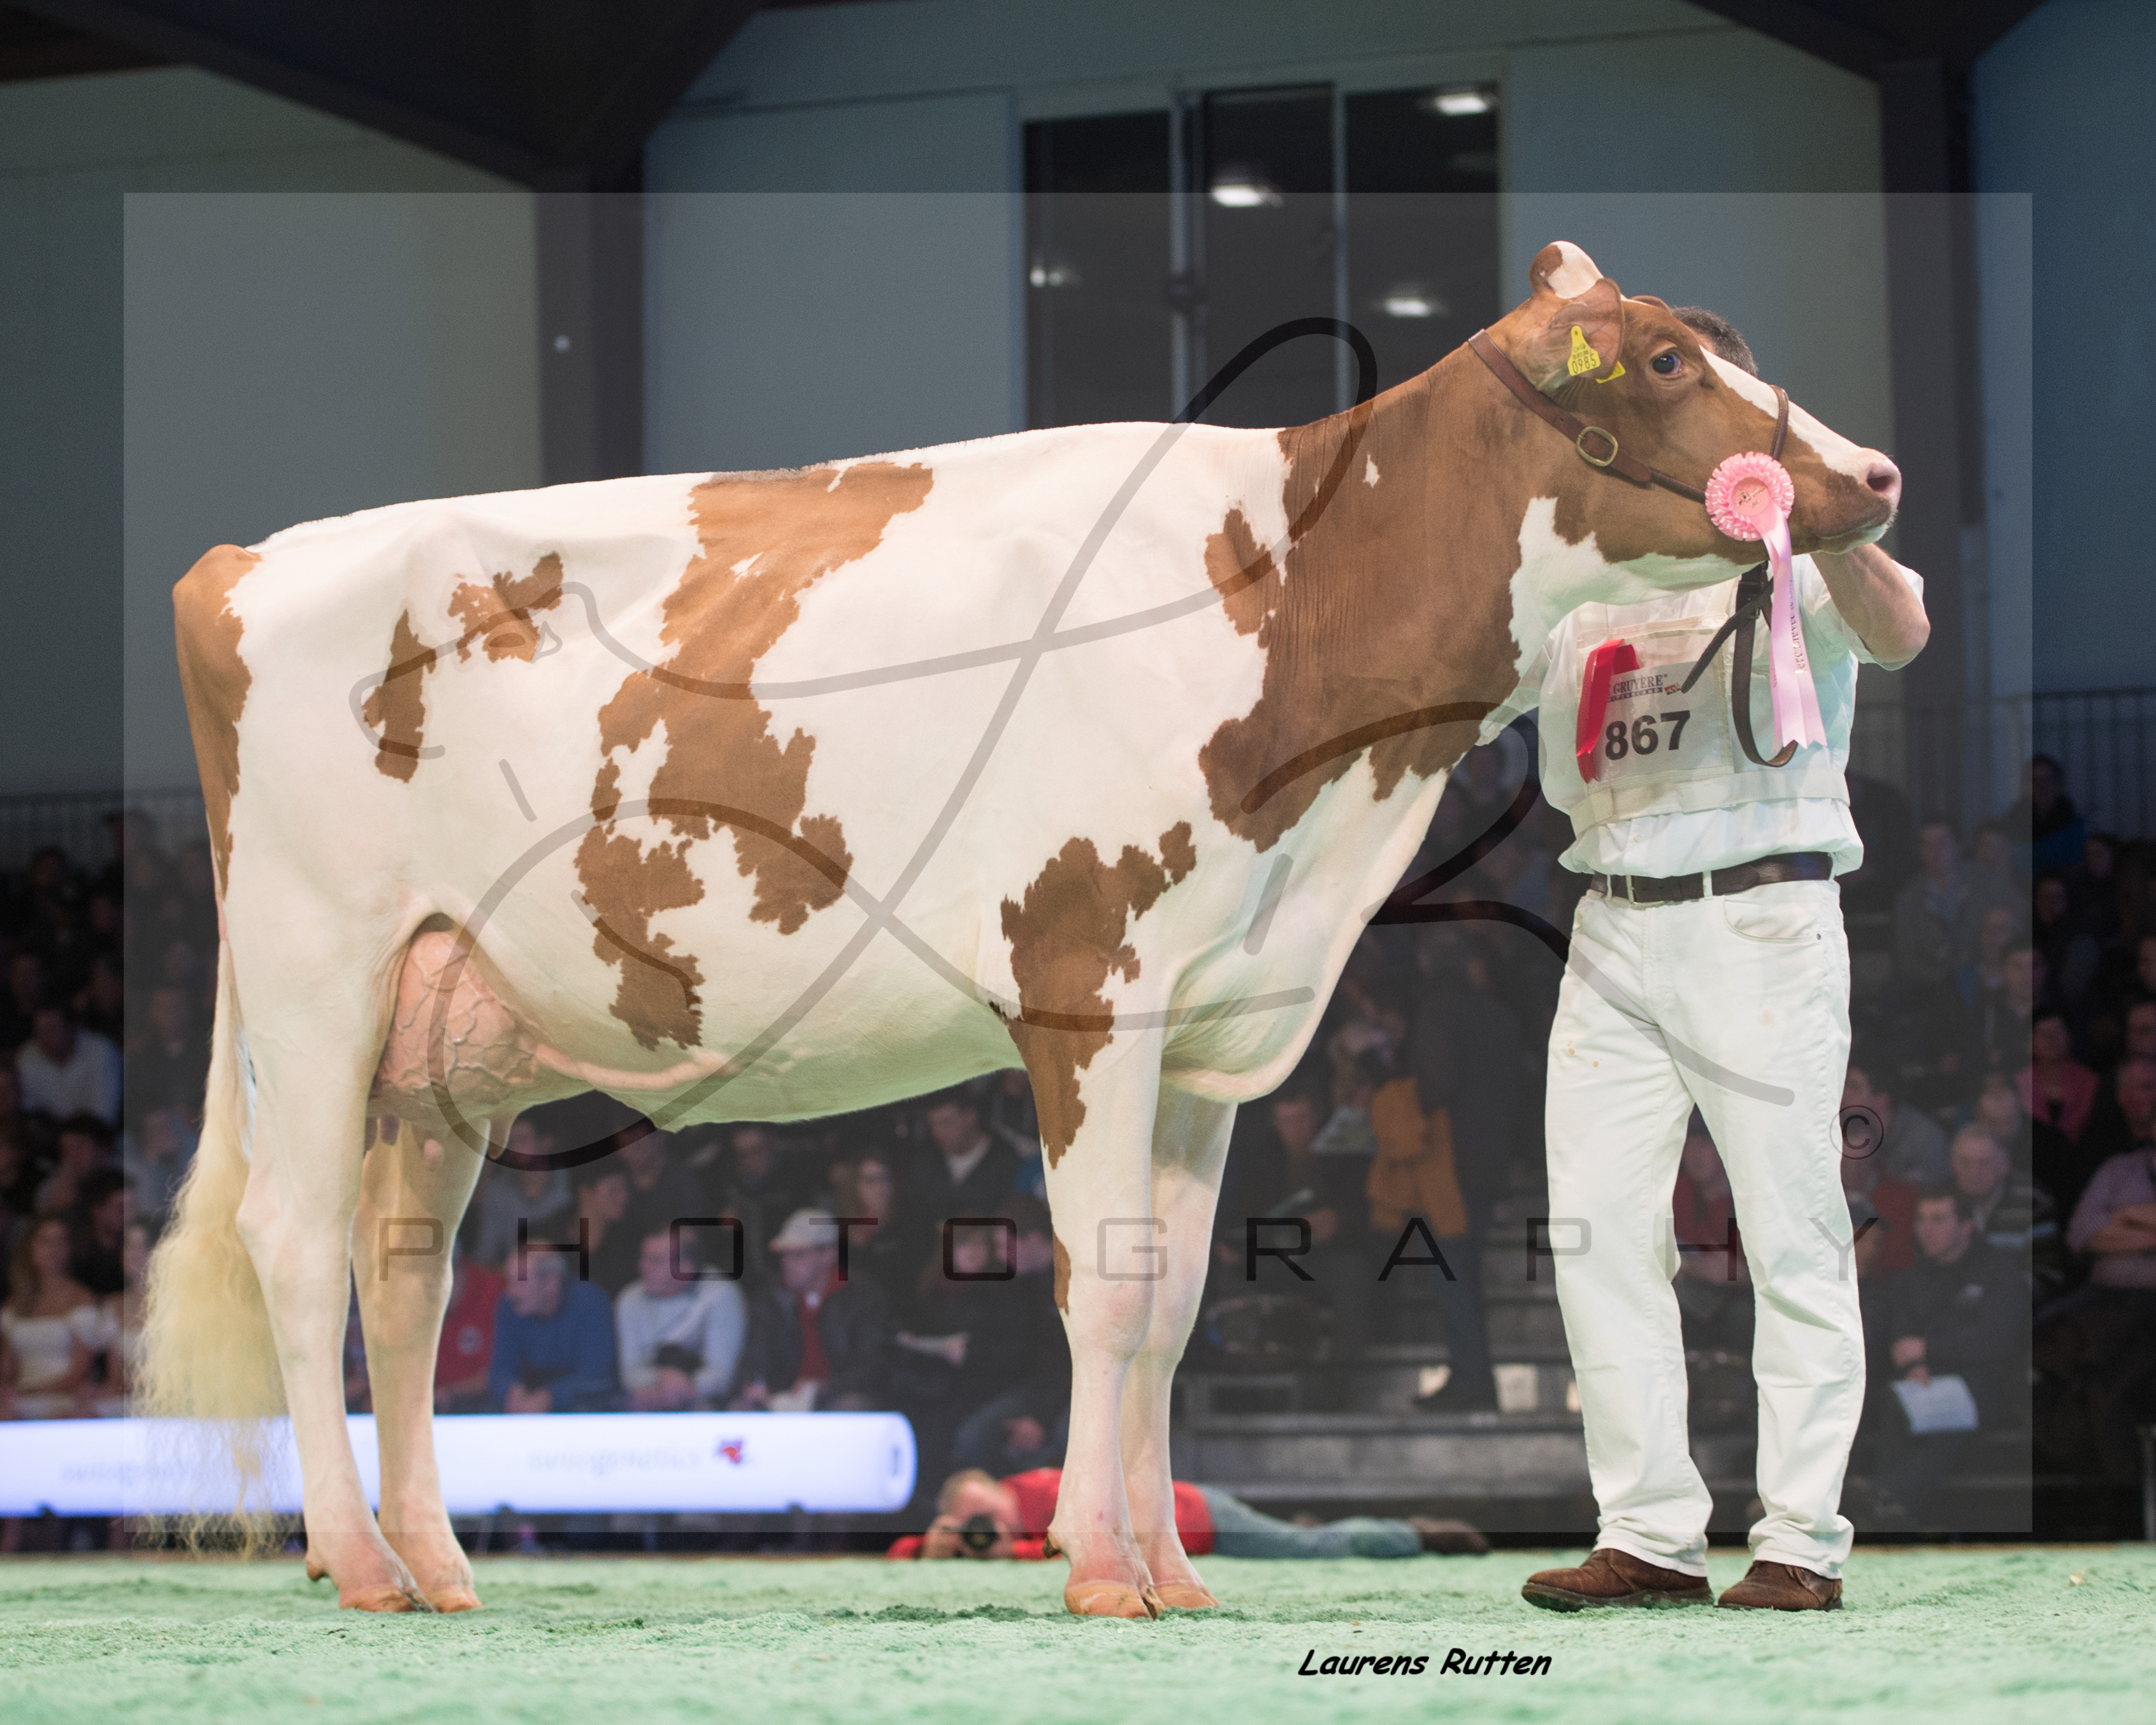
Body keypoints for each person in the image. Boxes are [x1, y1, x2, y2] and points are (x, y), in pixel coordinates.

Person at [1500, 306, 1929, 1613]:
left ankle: (1799, 1540)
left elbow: (1901, 635)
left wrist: (1825, 518)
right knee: (1595, 1234)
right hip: (1609, 920)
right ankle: (1646, 1532)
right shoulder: (1589, 572)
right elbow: (1475, 683)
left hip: (1761, 914)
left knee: (1789, 1229)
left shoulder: (1791, 544)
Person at [889, 1467, 1486, 1563]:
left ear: (999, 1487)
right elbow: (894, 1554)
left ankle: (1416, 1534)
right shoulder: (1014, 1522)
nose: (988, 1528)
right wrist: (924, 1548)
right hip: (1190, 1526)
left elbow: (1089, 1551)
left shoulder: (1046, 1490)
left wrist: (1010, 1552)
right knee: (1296, 1541)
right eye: (971, 1524)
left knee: (1312, 1550)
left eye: (986, 1513)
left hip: (1197, 1519)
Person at [1868, 1188, 2025, 1527]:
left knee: (1950, 1413)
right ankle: (1889, 1505)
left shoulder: (1998, 1271)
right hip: (1923, 1380)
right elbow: (1902, 1338)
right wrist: (1915, 1366)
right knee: (1896, 1402)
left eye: (1938, 1219)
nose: (1925, 1229)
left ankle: (1887, 1498)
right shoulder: (1913, 1277)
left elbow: (1995, 1340)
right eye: (1921, 1219)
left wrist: (1928, 1350)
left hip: (1986, 1384)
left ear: (1966, 1225)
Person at [735, 1208, 889, 1411]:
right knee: (740, 1409)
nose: (787, 1262)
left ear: (828, 1256)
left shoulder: (862, 1298)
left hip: (837, 1397)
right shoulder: (771, 1300)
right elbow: (755, 1354)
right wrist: (755, 1384)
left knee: (850, 1407)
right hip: (783, 1397)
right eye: (784, 1255)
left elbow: (871, 1364)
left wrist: (823, 1388)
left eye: (798, 1255)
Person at [615, 1228, 747, 1410]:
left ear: (686, 1268)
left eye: (656, 1261)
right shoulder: (630, 1299)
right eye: (643, 1259)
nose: (643, 1267)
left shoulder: (721, 1294)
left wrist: (681, 1388)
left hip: (708, 1408)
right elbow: (629, 1376)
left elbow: (722, 1378)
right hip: (646, 1404)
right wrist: (662, 1378)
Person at [487, 1249, 617, 1413]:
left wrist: (551, 1397)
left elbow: (598, 1375)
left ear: (552, 1282)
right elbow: (500, 1370)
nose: (510, 1293)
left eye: (520, 1283)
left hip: (583, 1410)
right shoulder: (508, 1307)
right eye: (509, 1283)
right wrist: (510, 1391)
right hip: (526, 1406)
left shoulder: (591, 1303)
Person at [1894, 819, 2016, 991]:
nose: (1935, 851)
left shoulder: (1989, 883)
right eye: (1927, 844)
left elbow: (2015, 931)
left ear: (1959, 845)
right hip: (1931, 987)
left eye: (1942, 843)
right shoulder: (1910, 898)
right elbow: (1906, 956)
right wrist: (1943, 982)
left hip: (1987, 981)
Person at [0, 1213, 102, 1418]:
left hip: (64, 1401)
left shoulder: (81, 1299)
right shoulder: (14, 1304)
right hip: (20, 1402)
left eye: (60, 1241)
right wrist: (10, 1391)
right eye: (45, 1241)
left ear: (69, 1248)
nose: (53, 1249)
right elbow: (7, 1368)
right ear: (32, 1247)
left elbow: (81, 1370)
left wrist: (35, 1393)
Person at [1841, 1058, 1950, 1188]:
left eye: (1854, 1087)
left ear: (1882, 1100)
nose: (1844, 1093)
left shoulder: (1925, 1139)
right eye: (1844, 1085)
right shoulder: (1839, 1127)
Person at [15, 1006, 120, 1127]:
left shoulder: (102, 1051)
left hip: (96, 1132)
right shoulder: (27, 1056)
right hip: (50, 1133)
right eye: (39, 1031)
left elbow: (104, 1114)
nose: (44, 1038)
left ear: (72, 1027)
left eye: (51, 1029)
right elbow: (30, 1110)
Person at [433, 1243, 503, 1413]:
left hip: (484, 1410)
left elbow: (500, 1374)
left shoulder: (495, 1294)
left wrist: (450, 1393)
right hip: (430, 1408)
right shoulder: (412, 1304)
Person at [1949, 1123, 2037, 1253]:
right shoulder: (1939, 1201)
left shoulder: (2033, 1202)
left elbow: (2045, 1263)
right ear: (1953, 1165)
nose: (1974, 1173)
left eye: (1984, 1163)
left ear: (2005, 1165)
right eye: (1964, 1163)